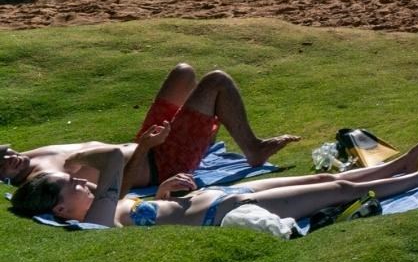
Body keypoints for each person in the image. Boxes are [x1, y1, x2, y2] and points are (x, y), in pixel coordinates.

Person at [13, 134, 418, 232]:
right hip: (223, 210)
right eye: (70, 183)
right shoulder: (101, 220)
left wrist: (165, 191)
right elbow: (110, 156)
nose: (78, 180)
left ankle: (394, 167)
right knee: (342, 192)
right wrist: (75, 158)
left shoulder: (108, 209)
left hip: (211, 197)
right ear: (59, 209)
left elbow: (150, 209)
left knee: (324, 176)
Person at [3, 61, 297, 197]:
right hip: (162, 161)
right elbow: (114, 195)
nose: (9, 157)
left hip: (149, 141)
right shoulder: (45, 179)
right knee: (216, 81)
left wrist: (144, 142)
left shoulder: (24, 158)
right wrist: (145, 148)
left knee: (184, 73)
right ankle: (253, 150)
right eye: (2, 163)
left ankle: (200, 130)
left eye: (4, 151)